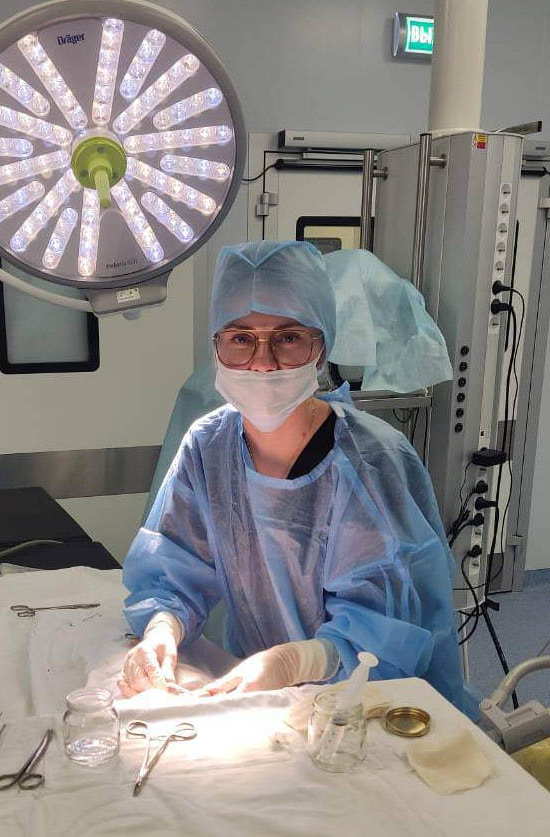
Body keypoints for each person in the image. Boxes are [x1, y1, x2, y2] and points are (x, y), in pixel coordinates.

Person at [120, 240, 465, 709]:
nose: (263, 362)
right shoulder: (207, 448)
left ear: (321, 348)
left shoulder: (371, 462)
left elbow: (393, 633)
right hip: (263, 704)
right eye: (240, 339)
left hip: (378, 707)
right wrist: (163, 628)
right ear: (216, 347)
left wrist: (298, 662)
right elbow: (172, 569)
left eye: (288, 338)